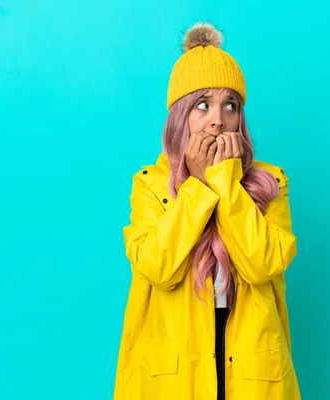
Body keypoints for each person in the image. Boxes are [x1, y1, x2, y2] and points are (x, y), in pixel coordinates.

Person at [113, 22, 301, 400]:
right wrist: (198, 187)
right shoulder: (149, 184)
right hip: (176, 366)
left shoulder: (271, 184)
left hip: (250, 362)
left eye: (230, 105)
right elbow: (156, 268)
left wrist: (226, 182)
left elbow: (262, 264)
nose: (218, 119)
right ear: (181, 116)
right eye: (203, 105)